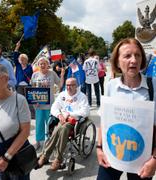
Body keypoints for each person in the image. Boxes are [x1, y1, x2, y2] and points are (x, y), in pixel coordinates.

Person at [96, 38, 156, 180]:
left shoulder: (153, 86)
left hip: (142, 161)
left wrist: (154, 159)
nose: (134, 60)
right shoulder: (111, 85)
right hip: (112, 154)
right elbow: (104, 120)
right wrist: (99, 149)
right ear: (117, 61)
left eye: (137, 55)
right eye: (127, 56)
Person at [38, 77, 90, 171]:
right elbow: (54, 107)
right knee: (59, 128)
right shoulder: (62, 95)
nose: (69, 87)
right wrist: (59, 115)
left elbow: (85, 111)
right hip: (61, 120)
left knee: (63, 128)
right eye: (67, 85)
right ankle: (48, 156)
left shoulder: (82, 96)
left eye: (71, 85)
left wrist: (69, 115)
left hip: (75, 122)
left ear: (76, 86)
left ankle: (55, 158)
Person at [30, 57, 65, 150]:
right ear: (38, 65)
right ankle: (38, 142)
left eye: (44, 63)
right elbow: (32, 89)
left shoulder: (52, 73)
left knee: (50, 125)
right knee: (39, 125)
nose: (42, 65)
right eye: (40, 64)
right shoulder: (35, 75)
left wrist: (62, 75)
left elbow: (60, 85)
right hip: (38, 105)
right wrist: (34, 100)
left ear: (48, 64)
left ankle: (51, 142)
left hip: (50, 105)